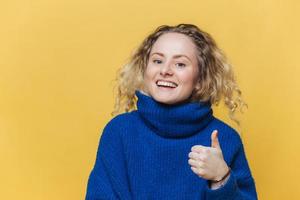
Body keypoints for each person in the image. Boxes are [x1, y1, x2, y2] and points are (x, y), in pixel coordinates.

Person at [85, 23, 258, 200]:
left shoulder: (225, 140)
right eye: (158, 61)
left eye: (180, 64)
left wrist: (221, 179)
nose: (165, 70)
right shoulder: (119, 131)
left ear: (200, 79)